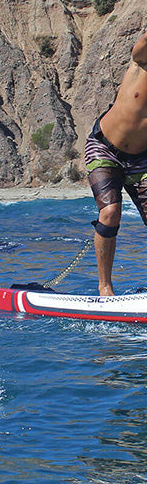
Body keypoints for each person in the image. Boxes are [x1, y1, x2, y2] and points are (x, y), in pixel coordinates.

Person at [85, 28, 147, 295]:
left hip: (142, 159)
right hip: (105, 147)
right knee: (110, 213)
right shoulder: (141, 62)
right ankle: (105, 287)